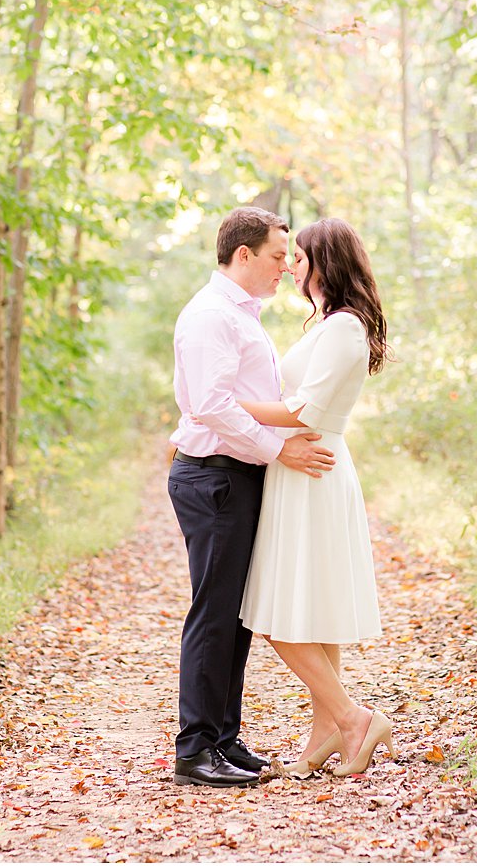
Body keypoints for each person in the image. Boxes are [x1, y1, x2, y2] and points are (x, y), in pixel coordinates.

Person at [166, 206, 337, 789]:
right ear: (244, 255)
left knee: (235, 615)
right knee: (214, 613)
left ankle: (222, 738)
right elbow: (210, 406)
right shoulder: (212, 316)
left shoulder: (242, 315)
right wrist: (277, 450)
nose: (286, 267)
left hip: (236, 476)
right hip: (213, 476)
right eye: (275, 256)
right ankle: (194, 749)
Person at [237, 217, 394, 777]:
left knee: (282, 618)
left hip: (315, 467)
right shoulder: (326, 324)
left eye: (299, 256)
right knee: (312, 611)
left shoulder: (346, 327)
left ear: (326, 260)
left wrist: (228, 404)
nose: (291, 265)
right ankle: (325, 730)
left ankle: (354, 718)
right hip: (299, 467)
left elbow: (302, 410)